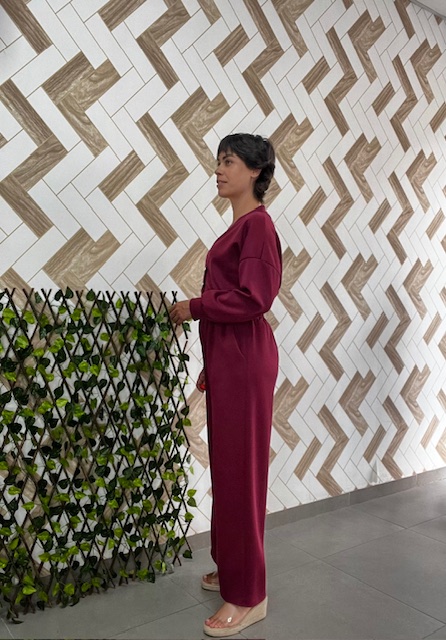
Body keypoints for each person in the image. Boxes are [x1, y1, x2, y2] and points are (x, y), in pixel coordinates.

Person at [169, 133, 282, 637]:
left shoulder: (257, 227)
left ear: (255, 171)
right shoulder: (240, 227)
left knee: (242, 475)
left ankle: (249, 595)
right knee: (230, 471)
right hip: (231, 362)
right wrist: (211, 366)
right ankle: (232, 568)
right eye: (217, 161)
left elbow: (254, 299)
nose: (218, 170)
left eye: (229, 161)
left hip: (245, 362)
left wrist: (193, 307)